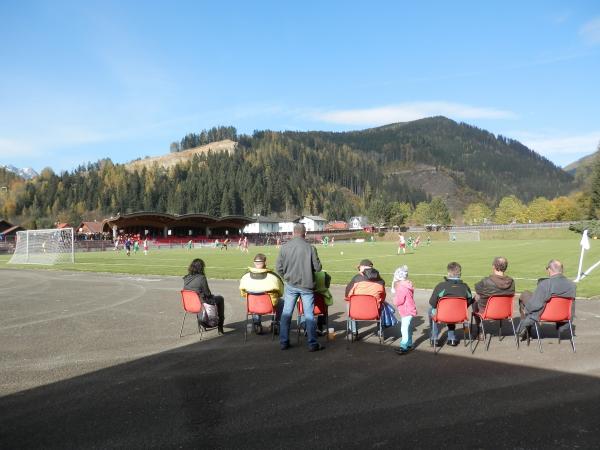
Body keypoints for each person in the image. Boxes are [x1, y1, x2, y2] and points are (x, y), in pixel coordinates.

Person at [276, 223, 323, 351]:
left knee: (286, 314)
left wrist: (286, 277)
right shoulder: (310, 248)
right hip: (307, 286)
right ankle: (312, 343)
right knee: (309, 315)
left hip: (291, 285)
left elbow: (278, 268)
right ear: (305, 233)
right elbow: (318, 268)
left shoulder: (284, 247)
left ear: (293, 233)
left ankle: (284, 342)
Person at [518, 259, 576, 339]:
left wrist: (526, 309)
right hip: (563, 315)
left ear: (549, 269)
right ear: (562, 270)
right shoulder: (572, 285)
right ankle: (526, 328)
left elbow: (535, 305)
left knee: (525, 296)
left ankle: (526, 329)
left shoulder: (545, 284)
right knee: (528, 296)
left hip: (545, 314)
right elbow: (571, 305)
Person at [429, 262, 473, 346]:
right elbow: (469, 301)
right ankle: (451, 338)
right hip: (459, 315)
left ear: (448, 273)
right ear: (460, 273)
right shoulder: (465, 287)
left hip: (444, 314)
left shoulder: (441, 286)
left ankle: (434, 338)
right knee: (452, 310)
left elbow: (432, 303)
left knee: (431, 310)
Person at [239, 253, 284, 335]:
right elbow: (281, 292)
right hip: (269, 306)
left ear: (254, 263)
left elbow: (243, 293)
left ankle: (257, 324)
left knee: (254, 300)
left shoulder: (245, 277)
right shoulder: (273, 276)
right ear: (265, 263)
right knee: (281, 301)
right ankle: (275, 323)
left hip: (253, 306)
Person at [344, 259, 386, 338]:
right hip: (374, 311)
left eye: (359, 267)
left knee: (349, 304)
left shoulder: (356, 279)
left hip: (356, 311)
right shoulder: (380, 281)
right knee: (382, 305)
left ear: (363, 267)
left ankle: (354, 331)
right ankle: (380, 331)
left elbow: (347, 295)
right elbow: (383, 296)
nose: (359, 269)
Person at [472, 257, 515, 333]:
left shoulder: (486, 281)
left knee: (475, 298)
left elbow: (477, 289)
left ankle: (479, 330)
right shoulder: (511, 282)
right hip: (505, 311)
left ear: (494, 266)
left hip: (486, 311)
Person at [183, 258, 225, 334]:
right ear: (201, 268)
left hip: (190, 305)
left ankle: (201, 324)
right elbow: (207, 293)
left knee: (208, 299)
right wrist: (211, 296)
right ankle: (220, 327)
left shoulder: (186, 278)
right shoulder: (201, 278)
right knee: (220, 298)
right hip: (201, 304)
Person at [392, 265, 417, 354]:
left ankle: (404, 345)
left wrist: (394, 299)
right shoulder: (406, 285)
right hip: (409, 308)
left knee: (404, 328)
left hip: (406, 310)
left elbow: (399, 300)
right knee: (408, 328)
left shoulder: (401, 287)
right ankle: (409, 344)